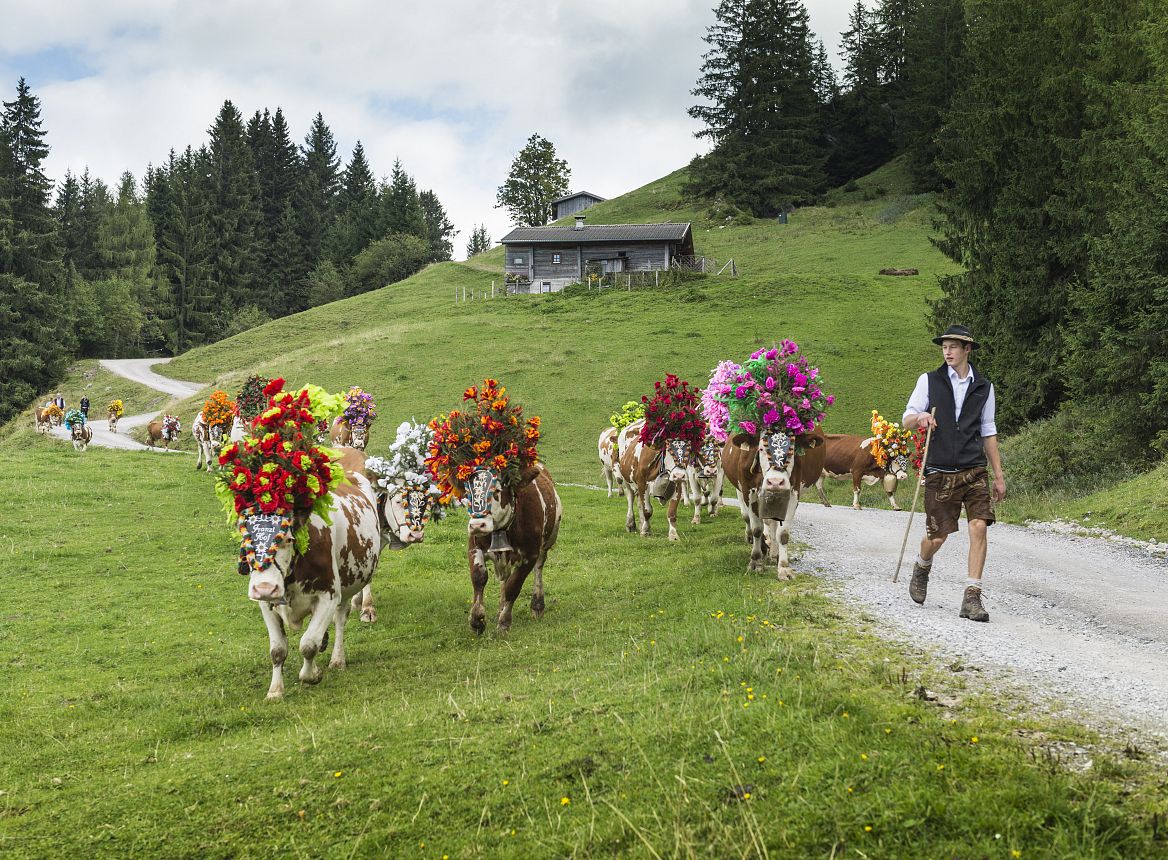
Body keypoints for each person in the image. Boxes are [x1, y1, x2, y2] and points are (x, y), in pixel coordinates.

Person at [902, 324, 1006, 622]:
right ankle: (923, 565)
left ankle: (971, 597)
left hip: (974, 469)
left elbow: (988, 431)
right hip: (939, 468)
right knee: (938, 536)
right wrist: (920, 417)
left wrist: (998, 476)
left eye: (953, 346)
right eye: (944, 346)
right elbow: (907, 418)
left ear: (967, 349)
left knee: (979, 526)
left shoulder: (984, 387)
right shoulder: (929, 381)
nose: (947, 351)